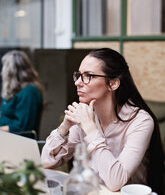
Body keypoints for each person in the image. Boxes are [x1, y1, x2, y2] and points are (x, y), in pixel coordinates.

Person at [41, 48, 165, 194]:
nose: (78, 82)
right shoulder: (85, 115)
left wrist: (90, 128)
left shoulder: (141, 121)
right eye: (79, 75)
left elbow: (115, 182)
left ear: (113, 84)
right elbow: (47, 162)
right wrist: (64, 127)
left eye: (89, 75)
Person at [0, 50, 44, 137]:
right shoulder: (15, 90)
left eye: (4, 67)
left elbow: (22, 126)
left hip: (20, 144)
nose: (2, 72)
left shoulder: (29, 91)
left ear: (12, 71)